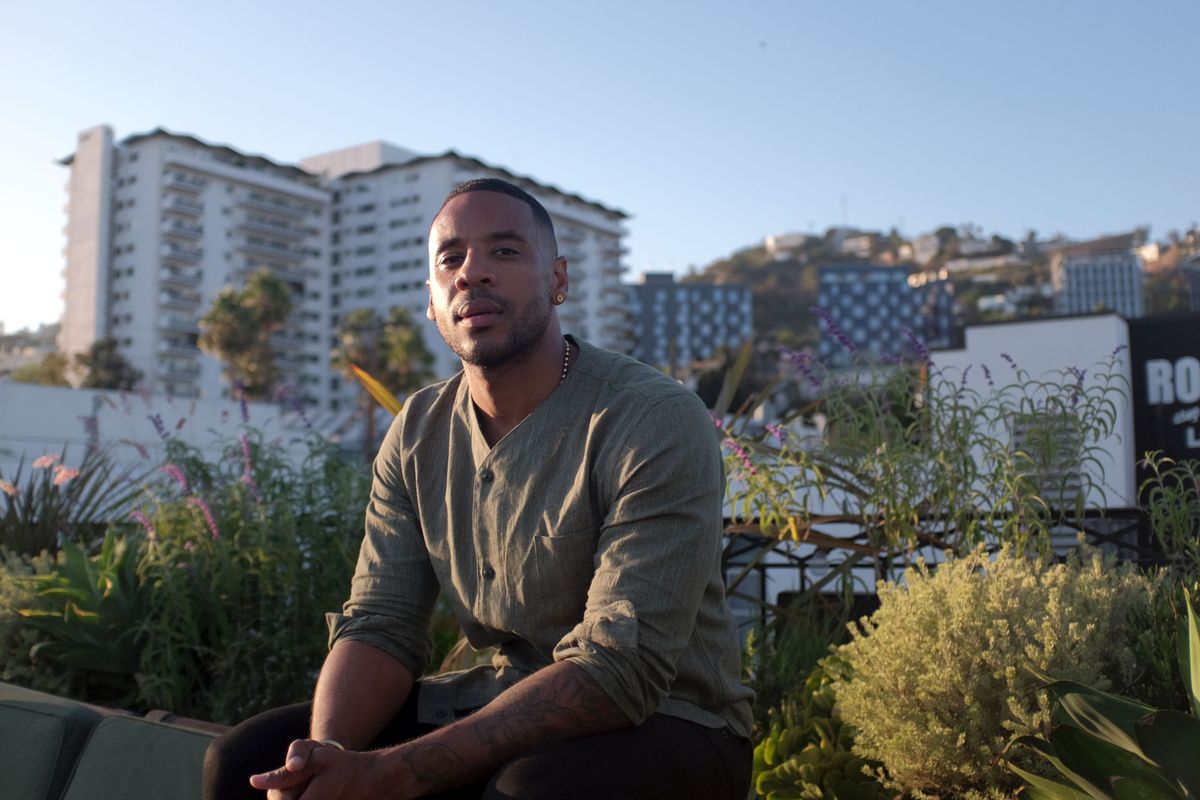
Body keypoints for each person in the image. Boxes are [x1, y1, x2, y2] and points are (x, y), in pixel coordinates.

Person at [203, 178, 753, 799]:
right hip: (489, 695)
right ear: (433, 301)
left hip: (670, 720)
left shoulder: (650, 417)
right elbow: (381, 623)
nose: (472, 273)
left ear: (559, 280)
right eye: (451, 258)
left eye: (506, 251)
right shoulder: (417, 430)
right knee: (242, 761)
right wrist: (326, 759)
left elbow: (621, 666)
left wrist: (397, 772)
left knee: (530, 792)